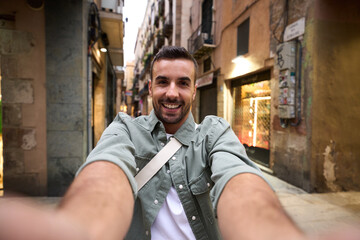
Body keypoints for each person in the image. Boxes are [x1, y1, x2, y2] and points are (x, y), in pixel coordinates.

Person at [0, 46, 359, 240]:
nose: (172, 93)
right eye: (162, 82)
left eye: (182, 83)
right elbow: (105, 173)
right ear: (150, 87)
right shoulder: (125, 127)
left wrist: (269, 231)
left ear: (193, 88)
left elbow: (240, 181)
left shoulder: (214, 133)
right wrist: (81, 227)